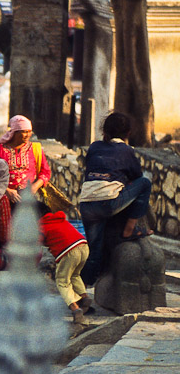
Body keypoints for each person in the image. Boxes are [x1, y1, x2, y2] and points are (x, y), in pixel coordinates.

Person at [77, 111, 153, 282]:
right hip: (108, 203)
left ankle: (81, 292)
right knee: (145, 183)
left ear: (105, 130)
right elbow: (136, 176)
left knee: (94, 251)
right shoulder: (126, 150)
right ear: (128, 133)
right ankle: (129, 229)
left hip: (87, 203)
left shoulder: (95, 146)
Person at [37, 202, 91, 324]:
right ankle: (84, 297)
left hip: (69, 251)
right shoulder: (59, 219)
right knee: (75, 275)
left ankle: (76, 310)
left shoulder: (41, 226)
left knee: (62, 281)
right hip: (83, 245)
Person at [0, 115, 50, 205]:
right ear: (15, 132)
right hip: (4, 200)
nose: (28, 135)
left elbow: (45, 172)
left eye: (30, 132)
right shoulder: (0, 149)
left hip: (29, 200)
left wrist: (34, 187)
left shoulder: (35, 149)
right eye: (24, 132)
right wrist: (7, 191)